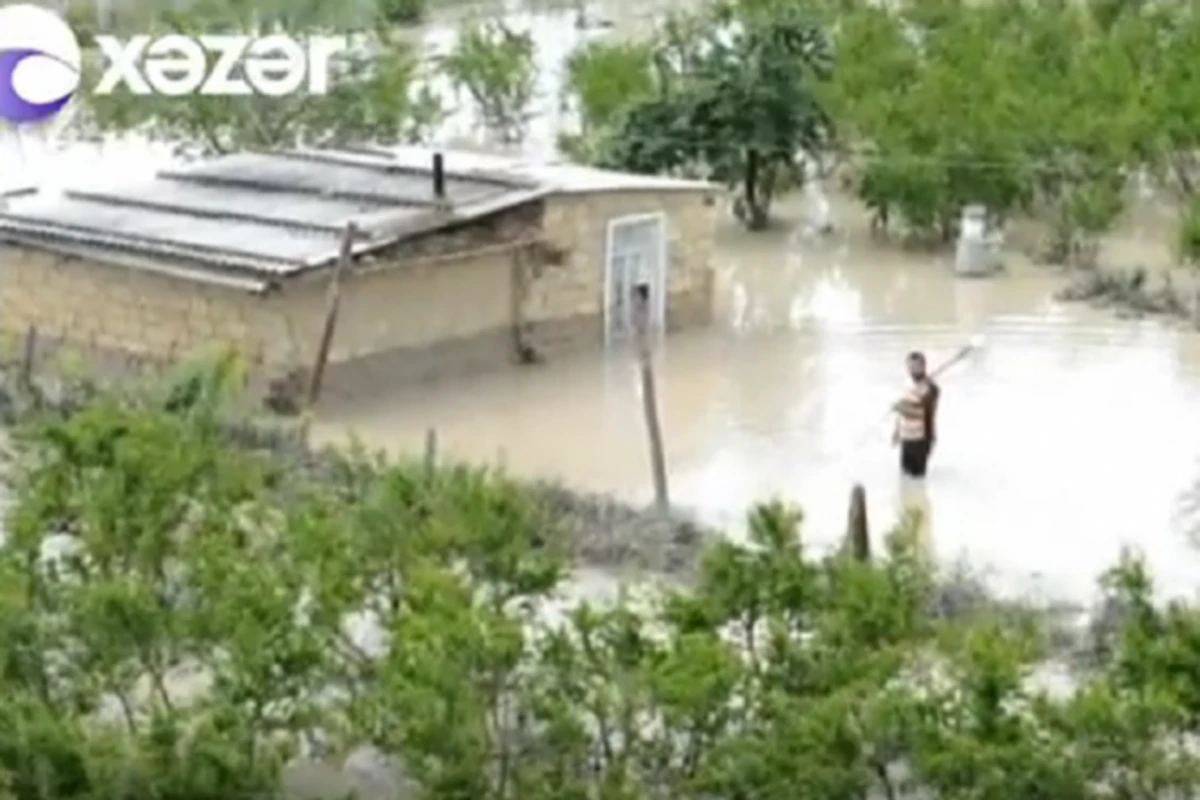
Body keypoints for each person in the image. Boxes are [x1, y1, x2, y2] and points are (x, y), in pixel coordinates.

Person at [892, 351, 940, 478]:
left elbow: (922, 414)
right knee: (904, 476)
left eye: (916, 367)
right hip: (906, 436)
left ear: (923, 366)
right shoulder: (907, 383)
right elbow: (902, 408)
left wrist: (901, 408)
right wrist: (896, 432)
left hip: (920, 439)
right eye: (910, 367)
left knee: (918, 478)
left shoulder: (930, 389)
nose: (912, 370)